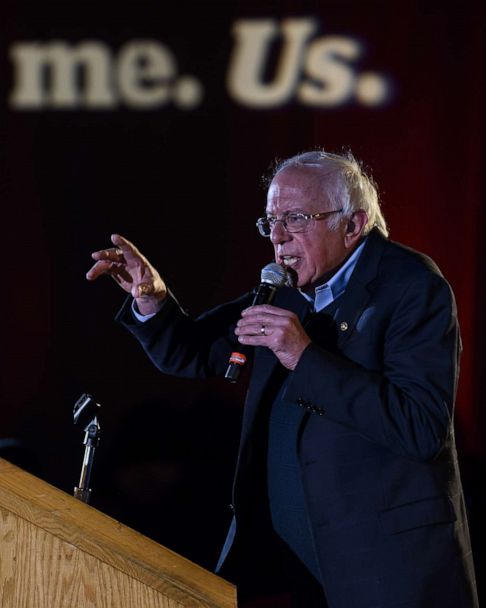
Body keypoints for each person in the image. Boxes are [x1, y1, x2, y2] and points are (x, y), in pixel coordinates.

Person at [87, 150, 478, 608]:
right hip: (291, 570)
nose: (276, 237)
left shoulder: (412, 287)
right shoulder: (286, 289)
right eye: (269, 221)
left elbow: (420, 427)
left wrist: (304, 356)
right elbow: (193, 352)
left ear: (352, 225)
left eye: (294, 218)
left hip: (386, 568)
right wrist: (151, 298)